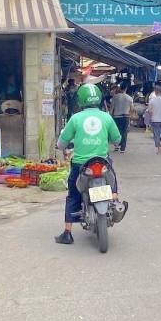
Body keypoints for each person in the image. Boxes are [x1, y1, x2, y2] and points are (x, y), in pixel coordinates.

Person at [55, 84, 122, 245]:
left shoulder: (75, 118)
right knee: (112, 173)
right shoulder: (106, 117)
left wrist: (68, 144)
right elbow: (117, 139)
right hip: (102, 162)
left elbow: (61, 143)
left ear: (80, 100)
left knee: (73, 196)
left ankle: (67, 233)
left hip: (81, 165)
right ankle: (114, 196)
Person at [110, 82, 133, 153]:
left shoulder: (115, 97)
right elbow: (132, 108)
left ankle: (116, 146)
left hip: (116, 116)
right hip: (125, 116)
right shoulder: (129, 98)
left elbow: (112, 107)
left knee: (116, 132)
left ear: (120, 88)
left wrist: (110, 115)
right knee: (124, 132)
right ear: (126, 88)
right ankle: (123, 148)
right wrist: (130, 114)